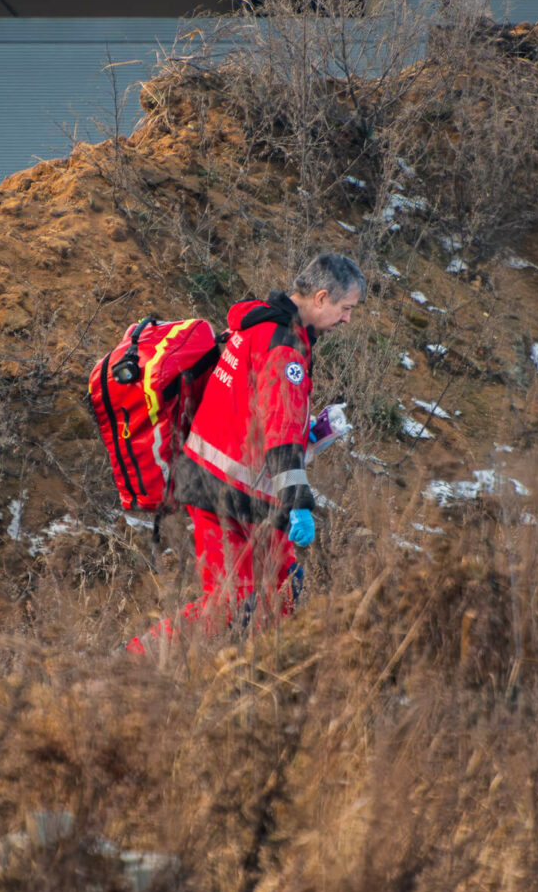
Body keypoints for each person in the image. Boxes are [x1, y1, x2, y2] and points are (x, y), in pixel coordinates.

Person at [128, 253, 364, 654]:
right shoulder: (286, 345)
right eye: (346, 309)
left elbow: (254, 409)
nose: (347, 320)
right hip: (235, 495)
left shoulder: (256, 323)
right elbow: (281, 434)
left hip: (214, 483)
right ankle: (135, 661)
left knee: (272, 596)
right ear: (321, 298)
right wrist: (299, 503)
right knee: (242, 604)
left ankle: (254, 669)